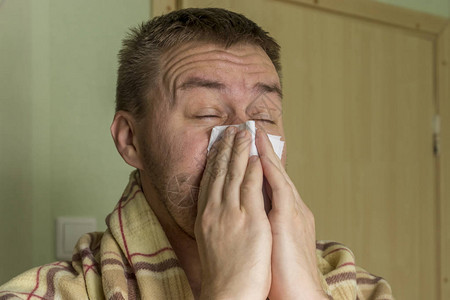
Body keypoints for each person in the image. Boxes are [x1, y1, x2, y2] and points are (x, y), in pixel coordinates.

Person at [0, 8, 393, 299]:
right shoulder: (48, 293)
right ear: (130, 140)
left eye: (264, 115)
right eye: (207, 113)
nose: (246, 138)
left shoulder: (361, 288)